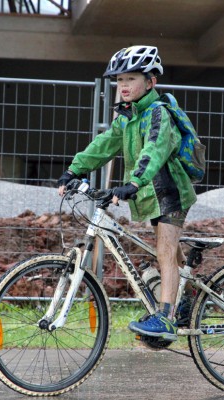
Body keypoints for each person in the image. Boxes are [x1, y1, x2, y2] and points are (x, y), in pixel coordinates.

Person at [57, 45, 197, 342]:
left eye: (131, 79)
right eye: (120, 80)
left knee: (165, 253)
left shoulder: (159, 114)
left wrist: (133, 183)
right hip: (151, 194)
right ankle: (187, 300)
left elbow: (154, 151)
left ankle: (167, 319)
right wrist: (74, 170)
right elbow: (105, 144)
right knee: (169, 256)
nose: (123, 86)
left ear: (151, 82)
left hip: (170, 192)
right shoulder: (127, 117)